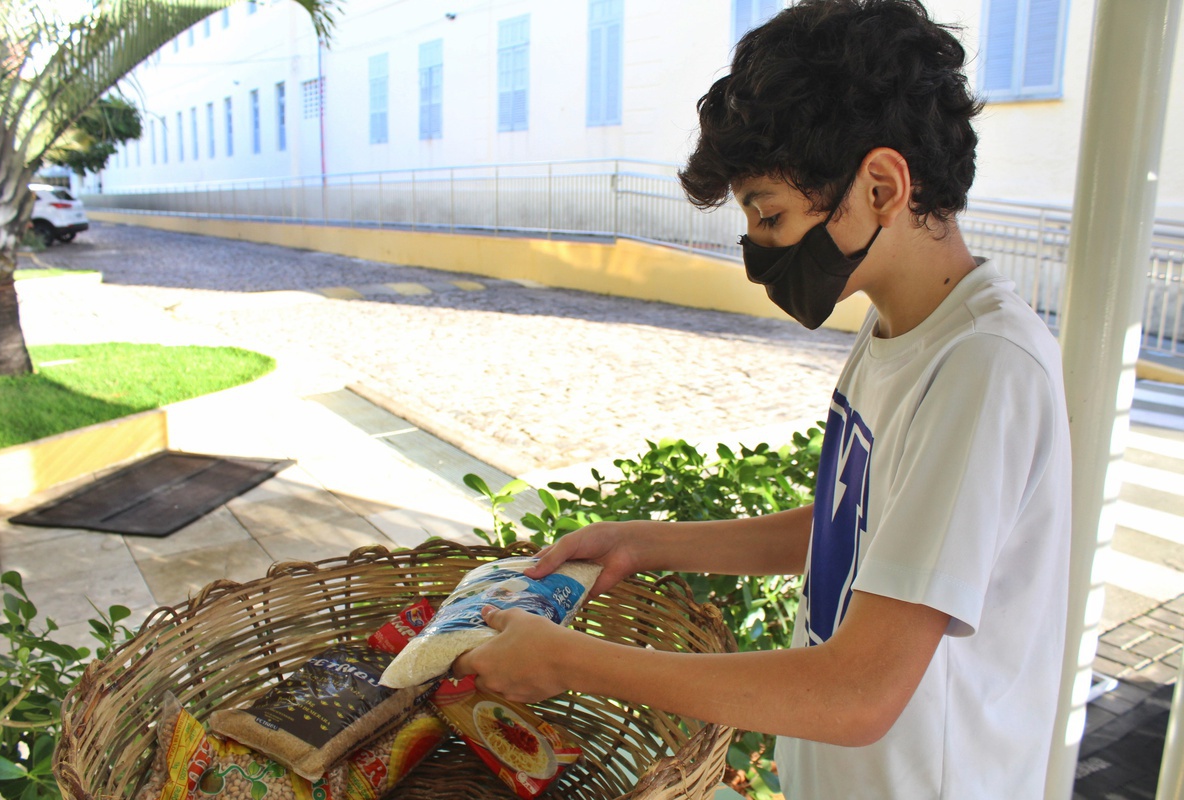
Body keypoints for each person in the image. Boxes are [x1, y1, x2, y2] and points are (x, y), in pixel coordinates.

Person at [452, 0, 1072, 796]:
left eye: (769, 216)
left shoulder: (983, 368)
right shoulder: (900, 328)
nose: (760, 254)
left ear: (881, 186)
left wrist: (569, 660)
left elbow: (858, 693)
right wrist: (646, 543)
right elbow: (862, 530)